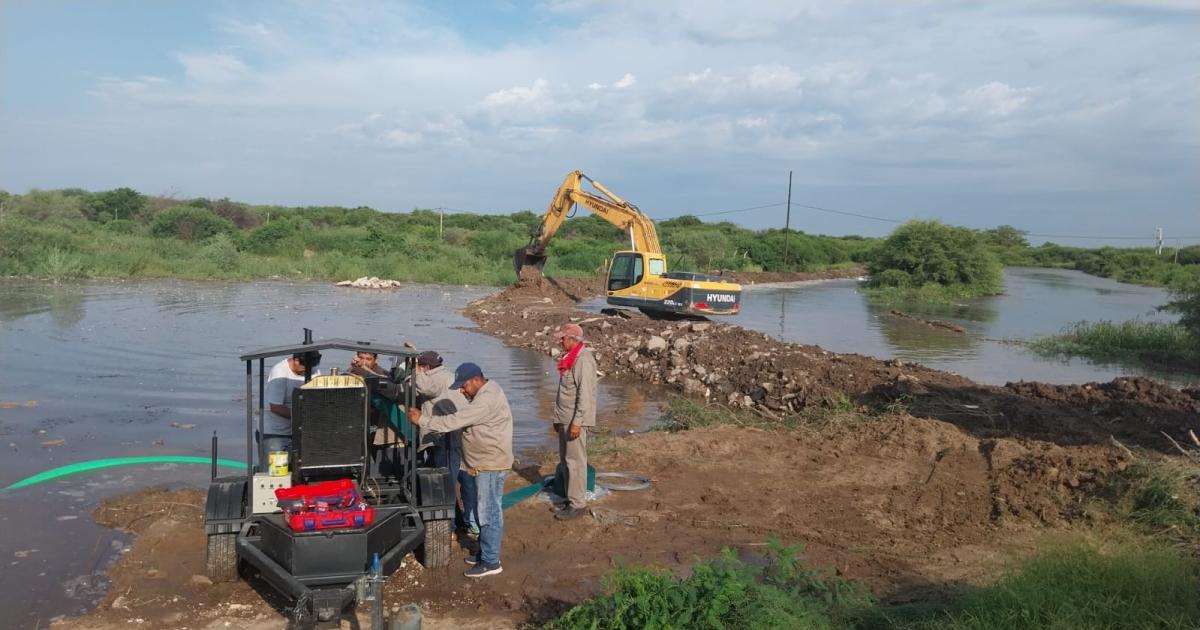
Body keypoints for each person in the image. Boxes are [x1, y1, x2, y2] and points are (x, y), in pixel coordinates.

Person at [408, 362, 512, 579]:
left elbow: (456, 421)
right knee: (484, 511)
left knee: (489, 513)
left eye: (464, 386)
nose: (462, 391)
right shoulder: (485, 392)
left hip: (490, 464)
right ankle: (484, 553)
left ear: (476, 380)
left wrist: (423, 419)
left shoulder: (486, 399)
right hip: (482, 462)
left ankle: (491, 561)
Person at [414, 350, 479, 538]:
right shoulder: (447, 374)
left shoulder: (434, 379)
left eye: (420, 366)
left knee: (445, 482)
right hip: (461, 433)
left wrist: (415, 372)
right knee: (465, 478)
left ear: (426, 367)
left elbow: (421, 387)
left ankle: (449, 526)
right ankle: (470, 521)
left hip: (447, 435)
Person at [552, 322, 597, 521]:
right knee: (566, 460)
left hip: (573, 421)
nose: (560, 342)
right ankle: (571, 498)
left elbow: (585, 395)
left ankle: (578, 504)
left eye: (563, 338)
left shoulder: (583, 360)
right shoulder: (571, 358)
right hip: (565, 418)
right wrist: (557, 419)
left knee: (575, 462)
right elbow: (565, 394)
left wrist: (577, 422)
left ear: (572, 339)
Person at [349, 351, 402, 476]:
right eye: (361, 358)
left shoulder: (384, 374)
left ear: (375, 360)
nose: (364, 362)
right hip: (359, 424)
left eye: (368, 359)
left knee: (376, 462)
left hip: (377, 425)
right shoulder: (352, 372)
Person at [263, 351, 322, 454]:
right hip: (276, 433)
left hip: (300, 432)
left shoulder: (314, 369)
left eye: (311, 367)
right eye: (304, 367)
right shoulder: (279, 373)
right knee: (276, 463)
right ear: (296, 360)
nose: (307, 370)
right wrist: (303, 417)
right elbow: (275, 407)